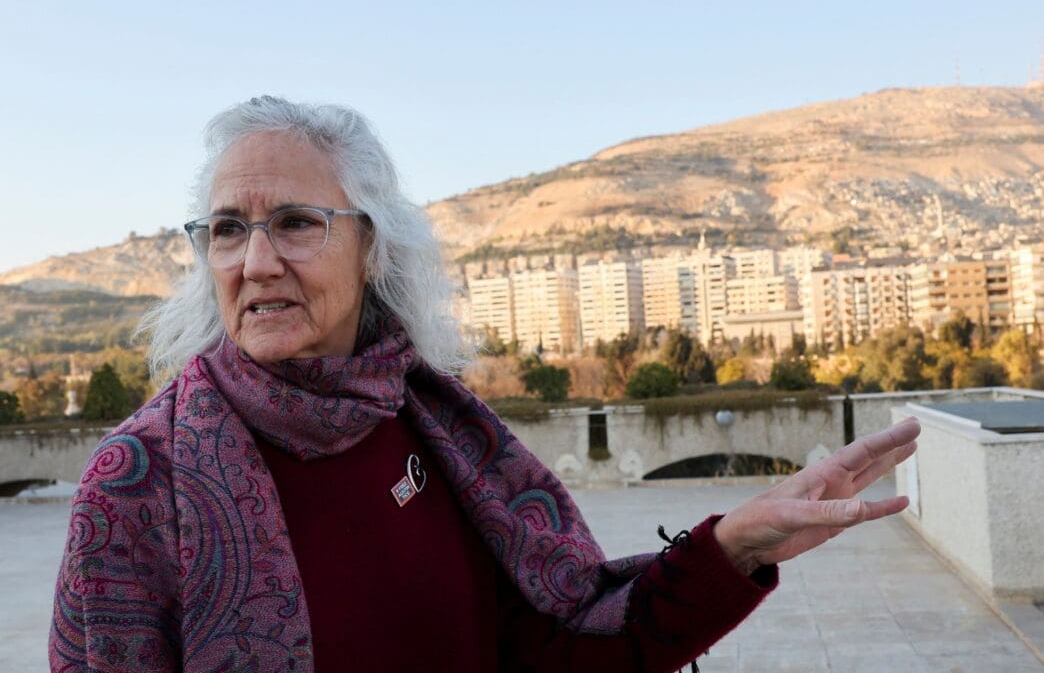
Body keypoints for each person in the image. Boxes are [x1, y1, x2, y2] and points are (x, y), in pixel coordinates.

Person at [49, 96, 919, 672]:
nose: (257, 261)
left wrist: (733, 547)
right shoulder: (138, 484)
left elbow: (554, 647)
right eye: (228, 229)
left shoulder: (436, 429)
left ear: (373, 248)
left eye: (296, 223)